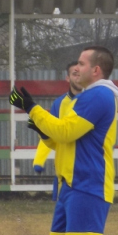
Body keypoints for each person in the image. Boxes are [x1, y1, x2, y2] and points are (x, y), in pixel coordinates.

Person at [9, 46, 118, 235]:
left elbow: (67, 132)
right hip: (70, 188)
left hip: (88, 187)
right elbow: (63, 141)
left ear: (96, 70)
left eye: (82, 63)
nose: (77, 68)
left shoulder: (99, 95)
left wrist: (33, 108)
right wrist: (42, 128)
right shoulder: (88, 96)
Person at [31, 60, 82, 201]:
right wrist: (39, 160)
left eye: (81, 73)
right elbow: (49, 132)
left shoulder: (93, 100)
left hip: (86, 172)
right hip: (63, 173)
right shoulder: (59, 104)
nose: (78, 77)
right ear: (68, 78)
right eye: (74, 73)